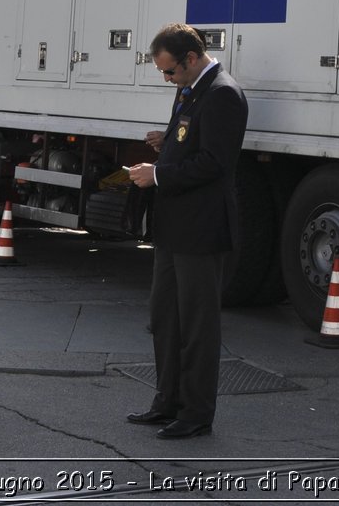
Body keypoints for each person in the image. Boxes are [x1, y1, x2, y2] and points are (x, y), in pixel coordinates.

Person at [124, 23, 247, 440]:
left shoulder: (223, 94)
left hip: (201, 228)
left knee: (196, 325)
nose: (167, 79)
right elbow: (189, 140)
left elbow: (214, 163)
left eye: (170, 71)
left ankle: (195, 412)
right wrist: (167, 143)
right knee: (165, 320)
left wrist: (157, 174)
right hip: (174, 228)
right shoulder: (191, 87)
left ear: (191, 59)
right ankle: (167, 402)